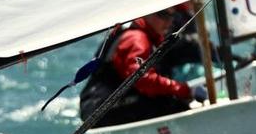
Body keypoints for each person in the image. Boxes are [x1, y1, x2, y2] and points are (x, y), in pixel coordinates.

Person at [79, 8, 208, 127]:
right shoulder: (137, 39)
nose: (169, 21)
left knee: (169, 100)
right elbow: (142, 79)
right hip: (100, 110)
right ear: (146, 13)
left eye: (172, 16)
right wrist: (181, 90)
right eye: (163, 15)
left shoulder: (145, 35)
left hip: (102, 108)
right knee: (169, 103)